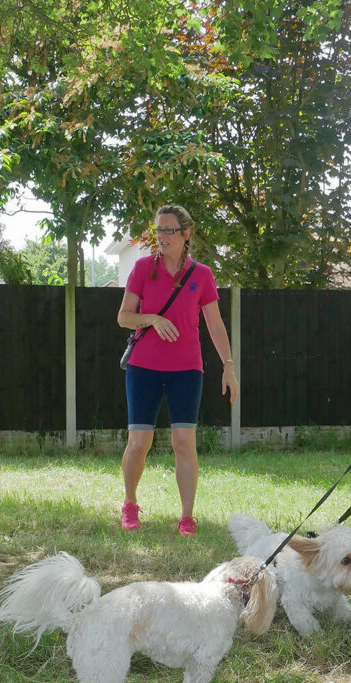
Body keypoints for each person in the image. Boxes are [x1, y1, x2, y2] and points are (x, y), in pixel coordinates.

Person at [117, 204, 239, 536]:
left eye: (169, 230)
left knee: (184, 442)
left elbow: (215, 325)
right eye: (158, 230)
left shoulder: (202, 275)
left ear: (186, 233)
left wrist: (228, 366)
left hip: (187, 369)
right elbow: (124, 316)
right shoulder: (143, 268)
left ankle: (187, 516)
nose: (162, 237)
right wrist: (153, 318)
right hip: (143, 367)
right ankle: (130, 503)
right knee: (139, 442)